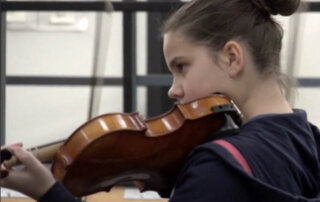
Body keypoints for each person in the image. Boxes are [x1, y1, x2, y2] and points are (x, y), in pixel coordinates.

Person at [1, 0, 320, 201]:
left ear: (232, 58)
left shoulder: (219, 167)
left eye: (182, 67)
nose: (173, 89)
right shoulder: (309, 142)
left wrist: (50, 194)